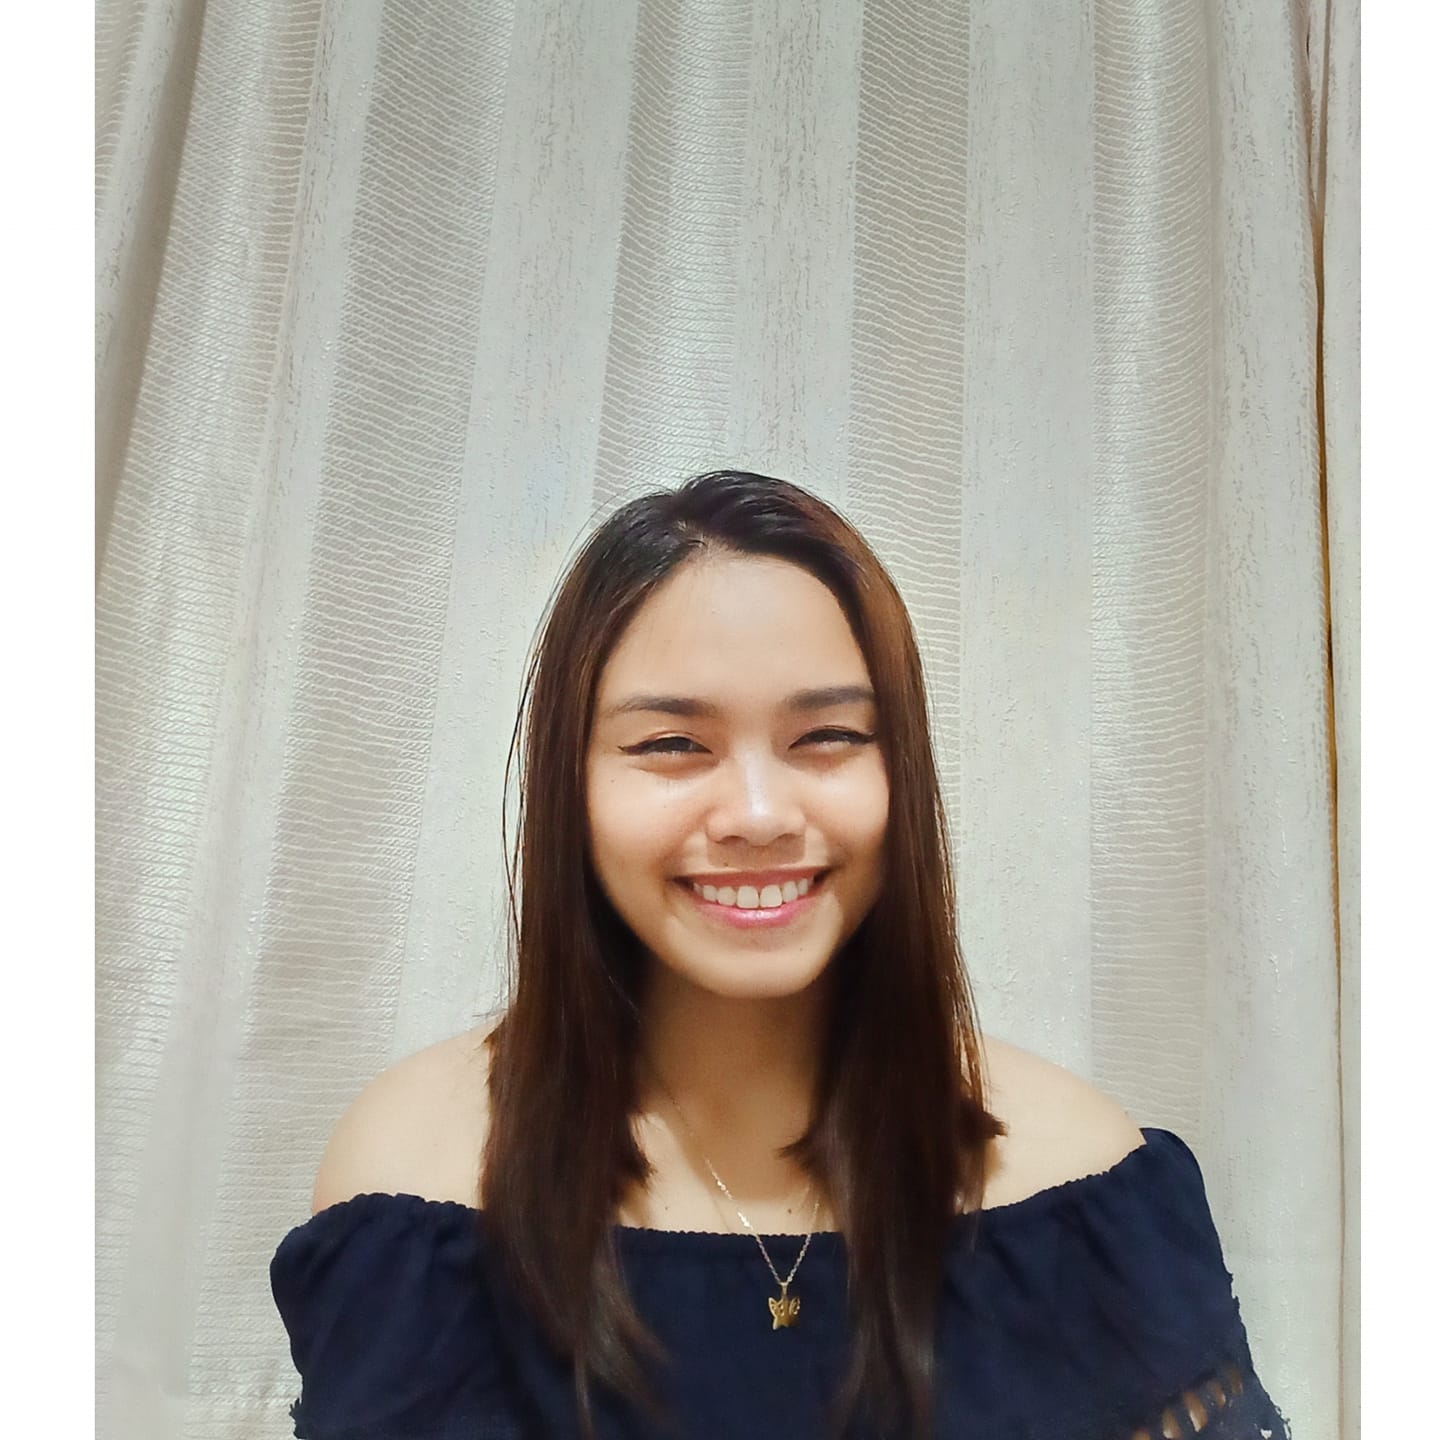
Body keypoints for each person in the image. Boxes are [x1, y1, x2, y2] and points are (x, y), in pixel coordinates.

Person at [271, 472, 1291, 1439]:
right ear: (569, 788)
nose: (758, 815)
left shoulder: (1085, 1186)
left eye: (827, 736)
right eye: (672, 745)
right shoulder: (412, 1189)